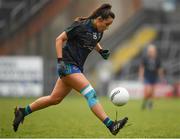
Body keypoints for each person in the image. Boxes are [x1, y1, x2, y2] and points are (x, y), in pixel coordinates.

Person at [13, 3, 128, 136]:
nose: (107, 28)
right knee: (91, 94)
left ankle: (22, 111)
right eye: (107, 24)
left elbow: (92, 39)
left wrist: (101, 51)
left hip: (76, 67)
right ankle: (111, 125)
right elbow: (59, 39)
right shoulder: (80, 26)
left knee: (54, 99)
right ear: (99, 19)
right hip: (67, 65)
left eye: (110, 25)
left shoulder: (99, 31)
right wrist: (60, 61)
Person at [139, 44, 163, 110]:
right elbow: (142, 68)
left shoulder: (157, 59)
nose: (150, 52)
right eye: (149, 51)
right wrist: (141, 76)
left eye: (152, 51)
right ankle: (147, 103)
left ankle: (148, 103)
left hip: (154, 77)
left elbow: (159, 68)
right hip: (147, 76)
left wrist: (161, 76)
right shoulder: (145, 58)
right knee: (148, 90)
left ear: (154, 51)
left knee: (152, 92)